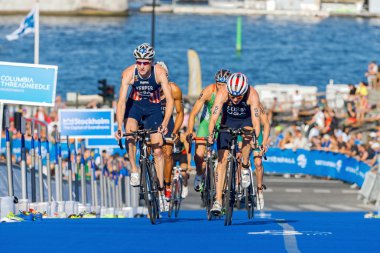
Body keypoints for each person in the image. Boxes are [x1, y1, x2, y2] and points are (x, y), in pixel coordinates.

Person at [115, 43, 173, 212]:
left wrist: (164, 123)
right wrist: (119, 126)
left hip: (154, 108)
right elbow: (121, 102)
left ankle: (161, 191)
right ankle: (134, 169)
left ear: (151, 62)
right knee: (130, 133)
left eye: (145, 63)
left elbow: (169, 101)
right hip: (135, 106)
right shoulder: (128, 73)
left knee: (157, 150)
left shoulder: (159, 73)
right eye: (138, 62)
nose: (141, 66)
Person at [208, 72, 262, 215]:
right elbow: (214, 118)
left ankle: (244, 165)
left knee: (248, 133)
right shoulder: (223, 92)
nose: (235, 99)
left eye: (239, 96)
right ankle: (218, 200)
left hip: (246, 121)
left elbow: (257, 122)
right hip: (228, 121)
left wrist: (256, 138)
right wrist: (211, 133)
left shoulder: (252, 95)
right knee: (222, 161)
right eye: (233, 96)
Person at [186, 69, 232, 192]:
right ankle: (200, 174)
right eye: (219, 84)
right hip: (206, 123)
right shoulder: (208, 91)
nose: (221, 87)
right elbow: (193, 113)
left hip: (222, 124)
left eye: (224, 85)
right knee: (199, 154)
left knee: (226, 156)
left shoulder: (232, 93)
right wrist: (190, 131)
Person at [155, 61, 185, 201]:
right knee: (153, 152)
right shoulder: (148, 89)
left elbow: (179, 113)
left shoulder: (174, 89)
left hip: (168, 125)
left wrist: (175, 132)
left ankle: (167, 185)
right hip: (152, 122)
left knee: (167, 154)